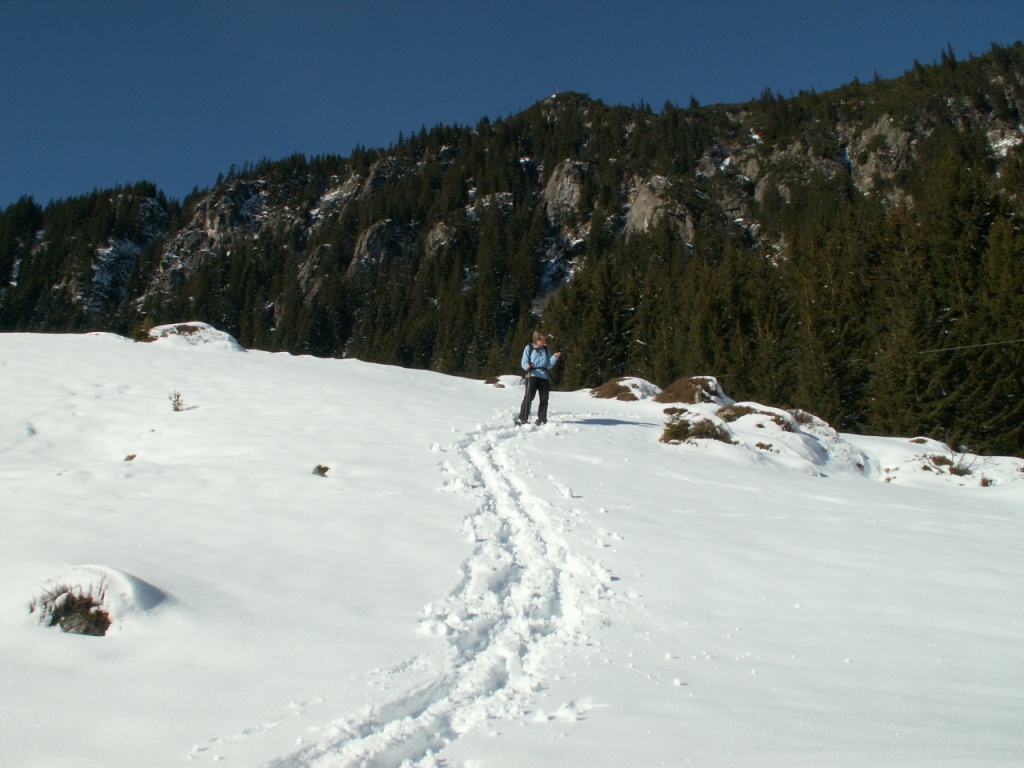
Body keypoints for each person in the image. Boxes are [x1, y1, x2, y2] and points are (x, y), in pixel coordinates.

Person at [517, 330, 562, 425]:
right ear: (536, 339)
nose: (544, 341)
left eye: (544, 339)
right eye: (542, 339)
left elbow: (548, 365)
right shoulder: (528, 348)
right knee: (529, 397)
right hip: (532, 375)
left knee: (544, 399)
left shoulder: (545, 349)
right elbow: (523, 362)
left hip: (543, 376)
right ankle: (523, 418)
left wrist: (554, 358)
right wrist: (527, 365)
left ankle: (542, 419)